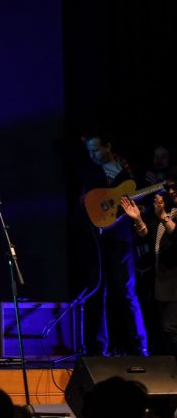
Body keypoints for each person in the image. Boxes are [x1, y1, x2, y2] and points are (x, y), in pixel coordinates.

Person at [79, 134, 148, 356]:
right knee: (98, 293)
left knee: (127, 293)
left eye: (96, 150)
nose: (92, 156)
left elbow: (144, 203)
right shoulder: (90, 173)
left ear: (108, 146)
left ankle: (140, 348)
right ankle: (99, 351)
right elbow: (87, 203)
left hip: (122, 239)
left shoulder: (131, 171)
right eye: (89, 151)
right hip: (97, 241)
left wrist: (137, 213)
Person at [123, 182, 177, 355]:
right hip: (159, 282)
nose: (171, 191)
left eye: (176, 187)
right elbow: (149, 236)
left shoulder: (165, 214)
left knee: (171, 329)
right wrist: (138, 220)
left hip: (174, 283)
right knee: (158, 333)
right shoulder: (166, 210)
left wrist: (163, 217)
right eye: (170, 188)